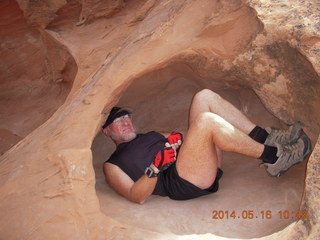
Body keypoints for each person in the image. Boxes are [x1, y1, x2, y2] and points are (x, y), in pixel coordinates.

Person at [102, 89, 311, 204]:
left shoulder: (149, 135)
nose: (126, 122)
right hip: (180, 182)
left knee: (204, 97)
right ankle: (276, 158)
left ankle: (267, 138)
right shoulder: (112, 165)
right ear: (106, 131)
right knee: (206, 121)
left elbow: (187, 137)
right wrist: (155, 168)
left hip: (194, 163)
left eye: (127, 117)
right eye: (118, 121)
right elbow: (135, 196)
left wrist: (176, 140)